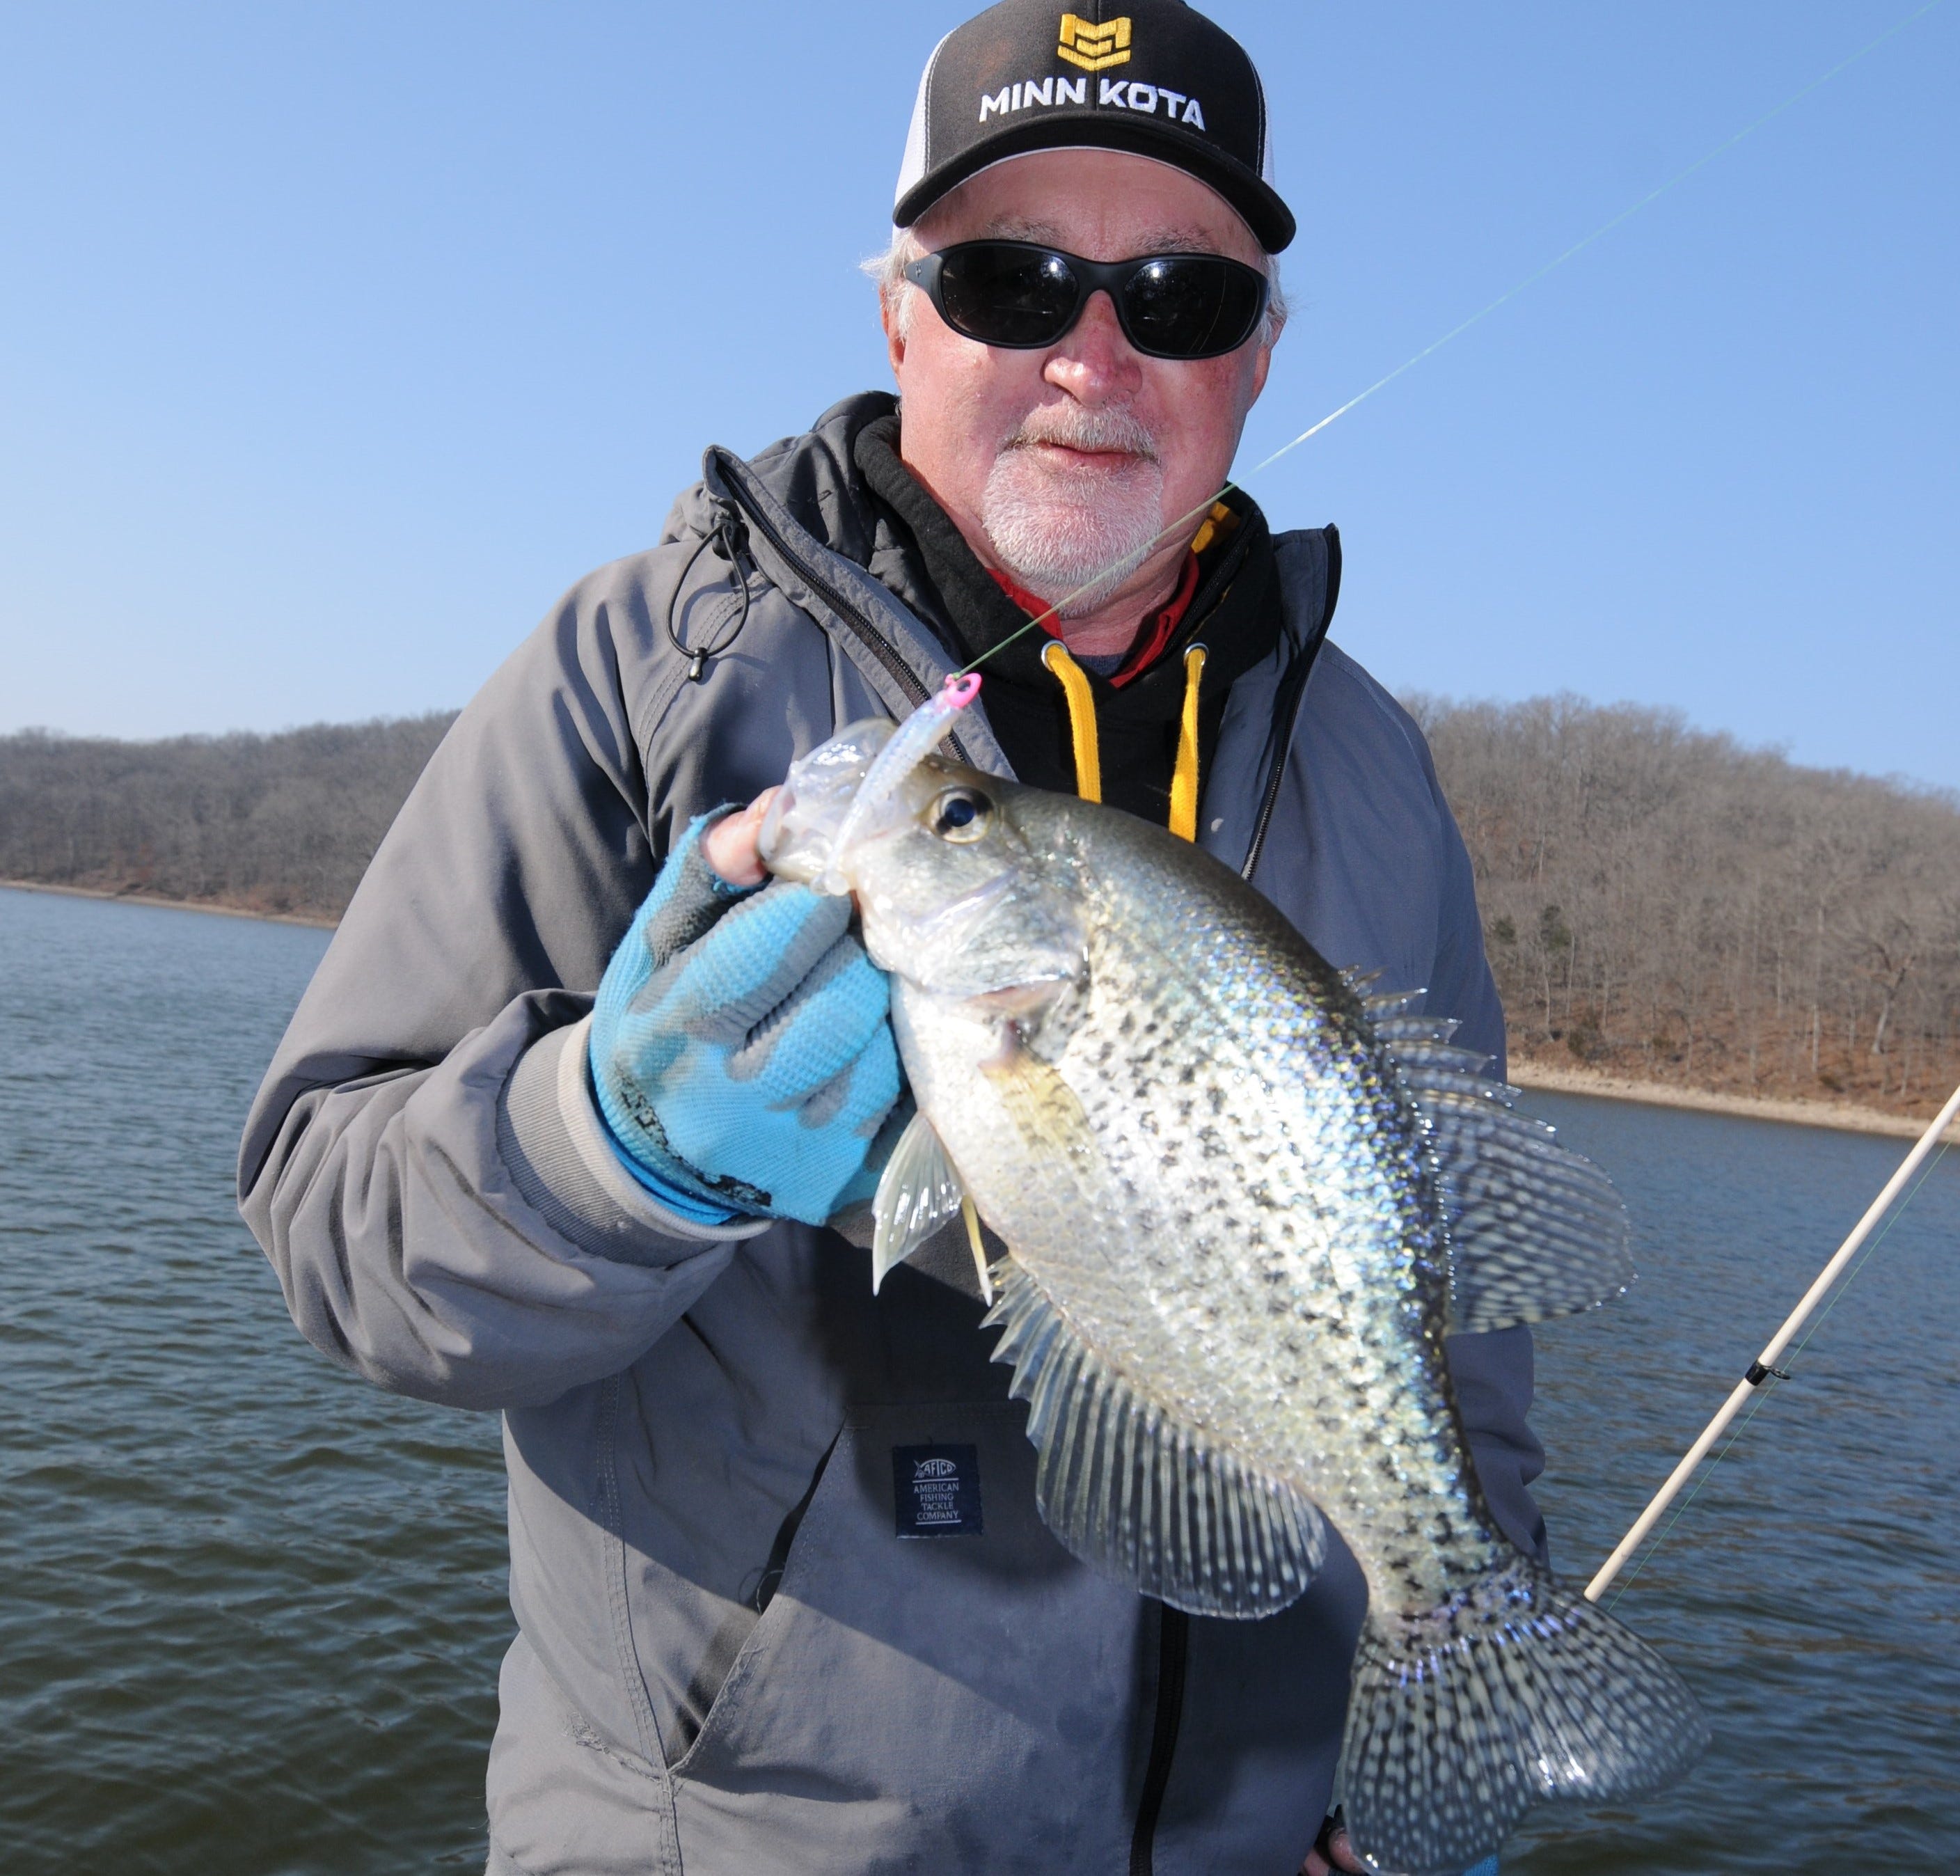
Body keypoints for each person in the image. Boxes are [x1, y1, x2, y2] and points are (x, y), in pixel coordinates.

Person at [241, 3, 1536, 1871]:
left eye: (1176, 297)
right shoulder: (643, 666)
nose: (1092, 354)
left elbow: (1453, 1334)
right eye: (1013, 280)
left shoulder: (1377, 765)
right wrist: (612, 1156)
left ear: (1257, 358)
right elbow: (332, 1232)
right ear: (900, 315)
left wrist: (1431, 1700)